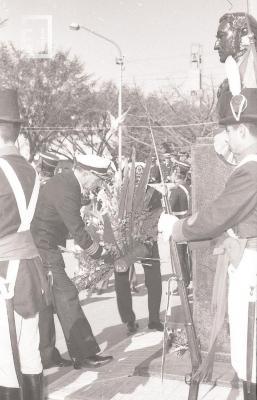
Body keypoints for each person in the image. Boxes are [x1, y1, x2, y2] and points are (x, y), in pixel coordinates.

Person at [158, 82, 257, 399]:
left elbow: (217, 215)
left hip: (252, 267)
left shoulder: (251, 170)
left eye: (228, 131)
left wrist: (178, 228)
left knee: (249, 350)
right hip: (246, 256)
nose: (225, 137)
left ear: (242, 130)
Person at [31, 154, 114, 369]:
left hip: (42, 246)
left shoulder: (66, 182)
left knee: (48, 304)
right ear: (86, 173)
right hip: (43, 248)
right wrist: (99, 253)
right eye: (98, 180)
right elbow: (77, 228)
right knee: (67, 297)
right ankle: (84, 355)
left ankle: (47, 356)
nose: (98, 185)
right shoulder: (68, 187)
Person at [0, 89, 48, 399]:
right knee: (29, 350)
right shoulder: (31, 171)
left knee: (4, 361)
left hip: (3, 270)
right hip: (30, 268)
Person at [114, 185, 164, 335]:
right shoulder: (119, 190)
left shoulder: (152, 193)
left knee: (153, 279)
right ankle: (130, 320)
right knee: (122, 278)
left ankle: (152, 319)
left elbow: (157, 215)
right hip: (125, 240)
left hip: (147, 239)